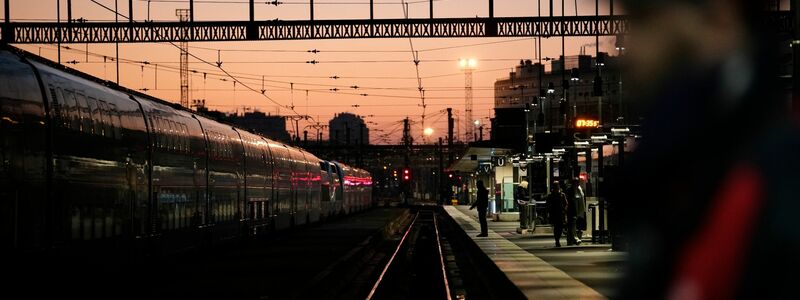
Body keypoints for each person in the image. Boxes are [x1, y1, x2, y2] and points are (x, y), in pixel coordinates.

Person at [614, 0, 800, 298]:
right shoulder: (673, 168)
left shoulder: (776, 183)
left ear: (718, 16)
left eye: (645, 20)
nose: (629, 51)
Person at [546, 183, 568, 247]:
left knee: (560, 227)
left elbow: (566, 203)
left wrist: (564, 209)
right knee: (556, 227)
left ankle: (557, 238)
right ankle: (557, 240)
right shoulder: (551, 195)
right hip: (554, 213)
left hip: (561, 213)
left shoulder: (562, 195)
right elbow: (548, 205)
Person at [565, 178, 583, 245]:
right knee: (572, 225)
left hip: (575, 210)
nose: (578, 184)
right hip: (571, 210)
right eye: (577, 183)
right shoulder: (570, 190)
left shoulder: (578, 190)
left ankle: (571, 240)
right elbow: (569, 201)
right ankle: (573, 239)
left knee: (572, 225)